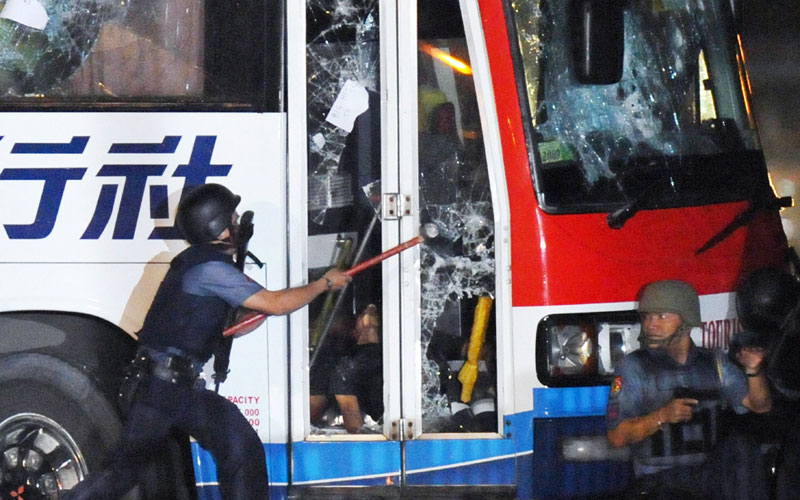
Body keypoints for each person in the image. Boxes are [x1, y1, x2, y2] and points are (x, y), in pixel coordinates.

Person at [65, 183, 350, 500]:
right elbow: (276, 303)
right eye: (234, 216)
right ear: (218, 225)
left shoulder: (205, 265)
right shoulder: (209, 269)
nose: (239, 222)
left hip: (178, 387)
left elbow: (240, 323)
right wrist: (324, 283)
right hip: (159, 389)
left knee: (239, 445)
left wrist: (257, 308)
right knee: (122, 474)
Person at [606, 280, 772, 500]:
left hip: (711, 482)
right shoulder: (634, 367)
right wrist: (660, 417)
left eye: (662, 316)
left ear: (686, 320)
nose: (651, 325)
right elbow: (617, 436)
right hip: (658, 484)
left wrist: (754, 371)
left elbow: (759, 405)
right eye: (647, 317)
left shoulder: (714, 362)